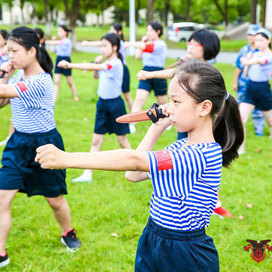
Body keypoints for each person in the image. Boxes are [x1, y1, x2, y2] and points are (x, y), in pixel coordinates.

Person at [36, 59, 244, 272]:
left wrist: (67, 159)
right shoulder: (180, 146)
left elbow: (134, 160)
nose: (168, 108)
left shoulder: (202, 155)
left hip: (185, 252)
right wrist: (157, 128)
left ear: (204, 107)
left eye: (176, 101)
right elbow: (133, 174)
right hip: (154, 237)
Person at [0, 26, 81, 268]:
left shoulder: (41, 81)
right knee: (2, 198)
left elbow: (4, 93)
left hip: (44, 146)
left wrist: (3, 79)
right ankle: (1, 252)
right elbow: (2, 101)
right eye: (7, 50)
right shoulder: (17, 77)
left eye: (13, 51)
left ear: (32, 51)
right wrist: (5, 74)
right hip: (17, 144)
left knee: (54, 200)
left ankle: (67, 231)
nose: (9, 55)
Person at [137, 29, 232, 218]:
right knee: (184, 162)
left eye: (194, 43)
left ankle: (212, 202)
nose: (189, 45)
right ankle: (205, 201)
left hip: (199, 128)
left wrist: (150, 75)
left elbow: (173, 73)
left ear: (207, 48)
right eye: (188, 42)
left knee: (200, 165)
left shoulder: (205, 73)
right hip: (186, 127)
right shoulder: (189, 65)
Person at [58, 33, 131, 182]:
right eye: (101, 46)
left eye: (105, 46)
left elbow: (91, 67)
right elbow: (96, 75)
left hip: (115, 106)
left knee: (122, 140)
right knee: (96, 141)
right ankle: (87, 174)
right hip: (102, 104)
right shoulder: (106, 63)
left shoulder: (115, 63)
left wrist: (70, 65)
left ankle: (140, 166)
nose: (102, 49)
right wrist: (99, 63)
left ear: (115, 47)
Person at [124, 22, 168, 134]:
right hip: (145, 72)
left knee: (162, 101)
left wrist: (131, 43)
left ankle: (168, 121)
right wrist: (143, 42)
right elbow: (138, 56)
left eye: (150, 30)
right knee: (139, 98)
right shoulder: (146, 43)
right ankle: (132, 123)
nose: (148, 33)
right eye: (147, 30)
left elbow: (148, 48)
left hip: (159, 73)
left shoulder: (160, 44)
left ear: (158, 31)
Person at [82, 23, 134, 111]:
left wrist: (88, 43)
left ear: (119, 32)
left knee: (127, 96)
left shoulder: (119, 43)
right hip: (111, 68)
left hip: (122, 69)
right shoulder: (109, 49)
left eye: (113, 30)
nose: (111, 32)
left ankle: (133, 120)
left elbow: (100, 43)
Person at [239, 28, 272, 154]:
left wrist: (247, 60)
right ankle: (241, 148)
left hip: (263, 90)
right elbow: (246, 73)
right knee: (241, 118)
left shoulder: (269, 56)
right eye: (256, 40)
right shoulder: (254, 54)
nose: (257, 42)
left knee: (270, 121)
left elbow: (260, 61)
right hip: (250, 88)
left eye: (261, 40)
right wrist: (247, 63)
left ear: (268, 41)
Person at [233, 24, 264, 136]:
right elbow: (238, 67)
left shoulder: (262, 51)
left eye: (254, 35)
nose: (251, 38)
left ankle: (259, 131)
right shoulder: (244, 50)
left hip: (257, 84)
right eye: (249, 35)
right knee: (239, 106)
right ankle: (237, 129)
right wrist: (235, 81)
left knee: (258, 108)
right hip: (243, 83)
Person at [46, 25, 79, 101]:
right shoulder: (58, 43)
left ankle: (75, 96)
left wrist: (52, 41)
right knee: (56, 82)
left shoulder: (67, 41)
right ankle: (54, 100)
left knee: (69, 81)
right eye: (58, 31)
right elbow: (52, 51)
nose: (59, 33)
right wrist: (52, 42)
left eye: (61, 31)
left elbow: (60, 42)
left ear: (66, 32)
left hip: (66, 60)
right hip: (58, 59)